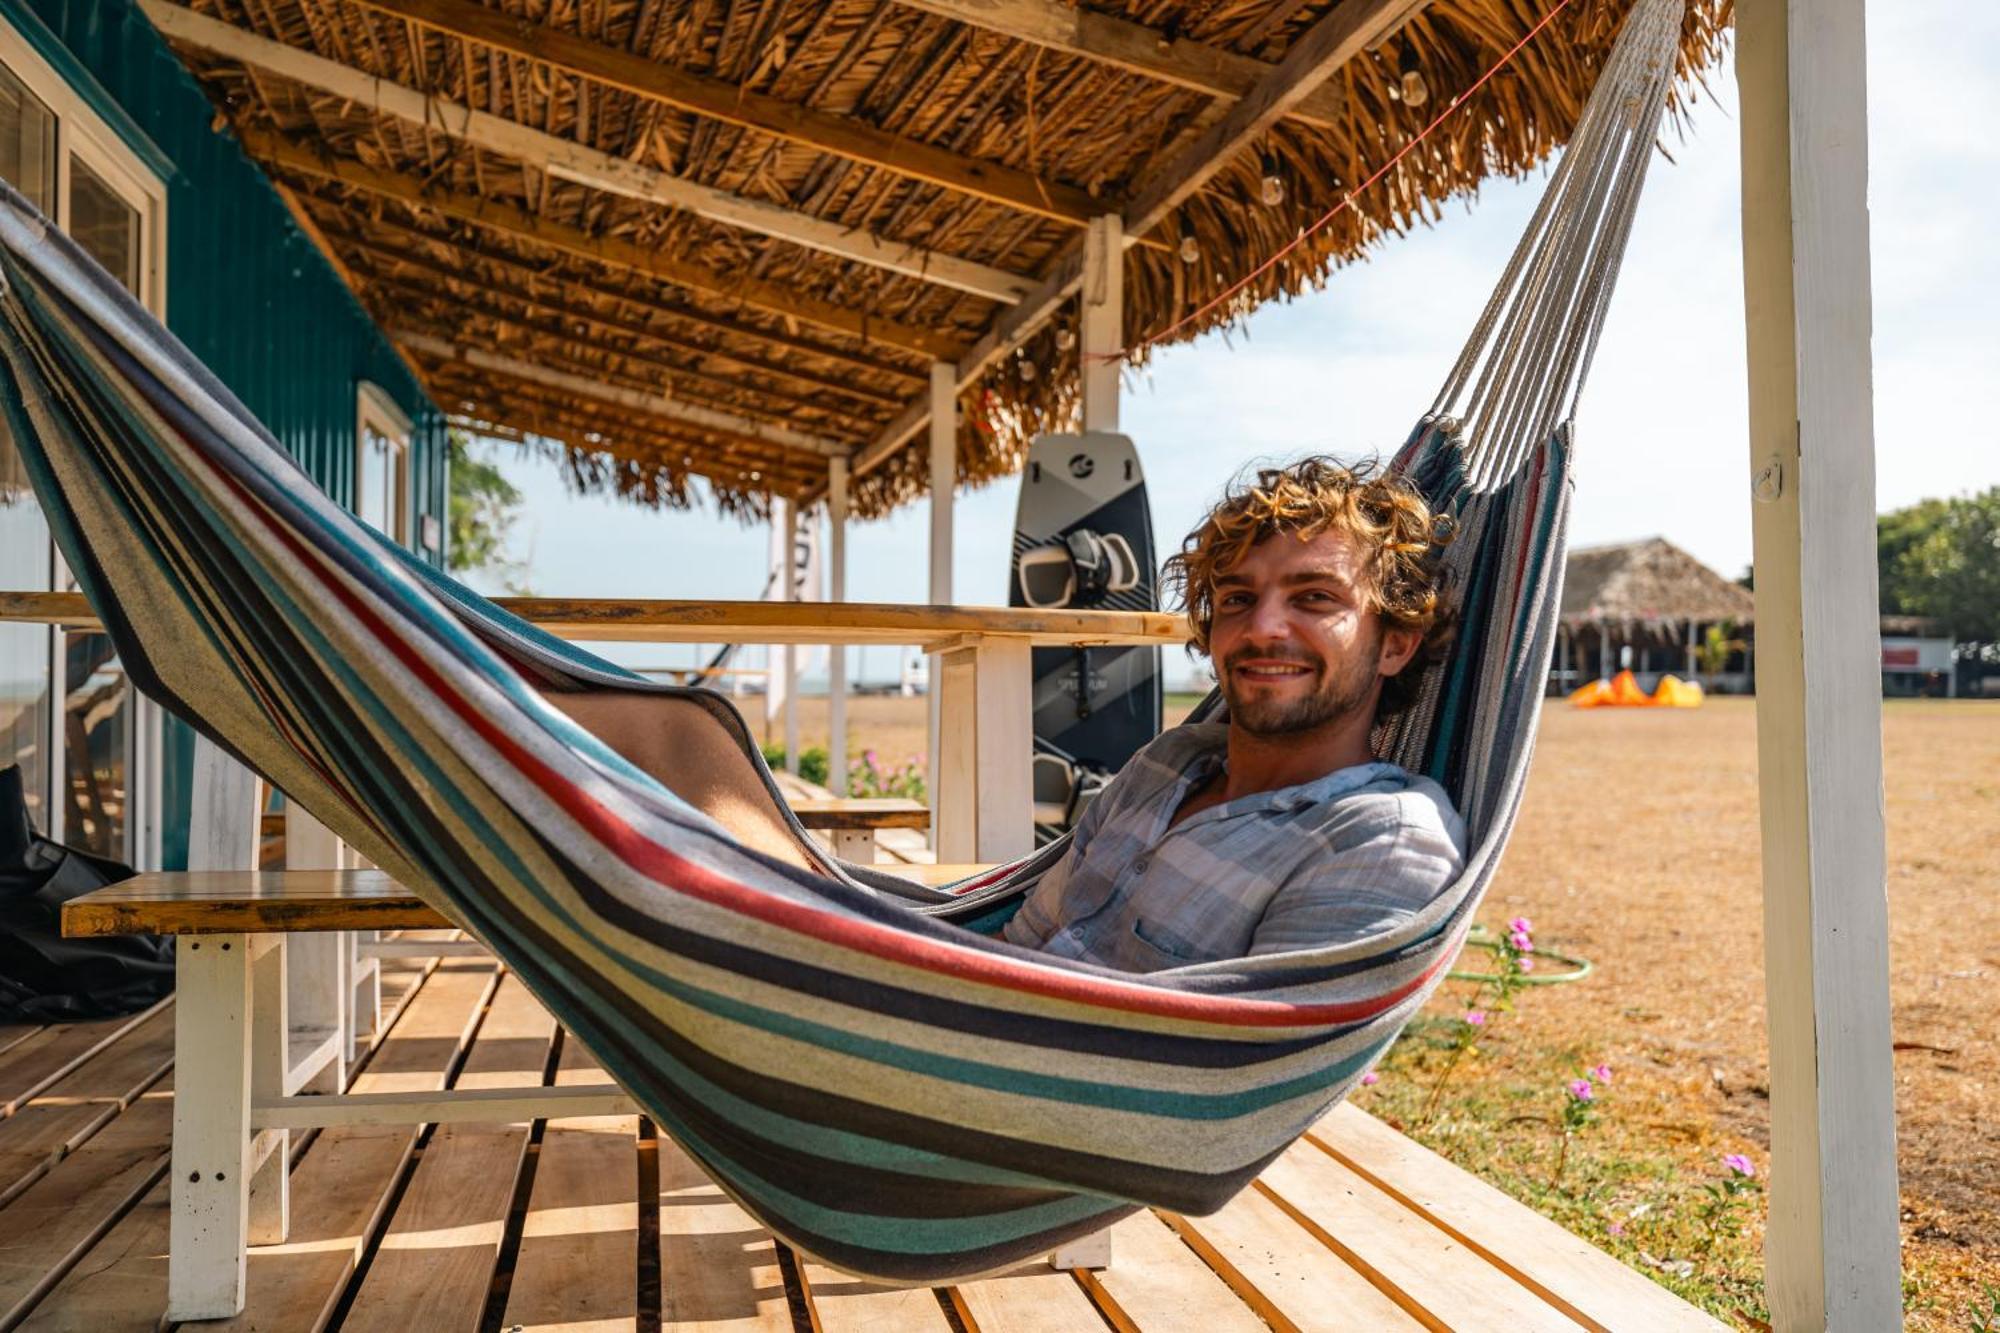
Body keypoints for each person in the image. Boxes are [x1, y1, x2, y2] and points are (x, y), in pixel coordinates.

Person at [1002, 456, 1466, 972]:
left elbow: (1253, 1048)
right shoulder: (1165, 762)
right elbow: (1021, 940)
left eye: (1314, 597)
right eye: (1238, 598)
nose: (1262, 627)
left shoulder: (1380, 842)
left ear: (1396, 646)